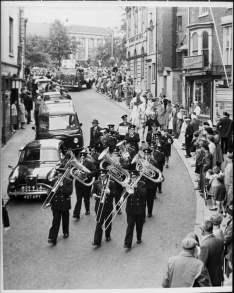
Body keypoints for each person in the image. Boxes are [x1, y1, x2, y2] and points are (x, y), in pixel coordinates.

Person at [122, 170, 146, 249]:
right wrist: (122, 198)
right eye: (131, 178)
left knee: (139, 225)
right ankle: (127, 243)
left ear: (137, 177)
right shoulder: (128, 184)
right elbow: (125, 193)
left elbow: (144, 194)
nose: (132, 179)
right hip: (130, 209)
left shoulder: (141, 184)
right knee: (130, 226)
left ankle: (139, 238)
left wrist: (137, 187)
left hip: (139, 209)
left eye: (134, 177)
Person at [48, 171, 73, 246]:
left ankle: (65, 232)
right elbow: (51, 193)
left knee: (65, 220)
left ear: (64, 175)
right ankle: (52, 238)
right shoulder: (54, 181)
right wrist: (49, 201)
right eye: (58, 175)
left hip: (65, 204)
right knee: (55, 221)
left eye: (61, 175)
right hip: (56, 204)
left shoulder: (69, 181)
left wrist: (62, 186)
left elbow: (69, 192)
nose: (59, 177)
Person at [92, 169, 116, 247]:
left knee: (108, 222)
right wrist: (94, 195)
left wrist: (110, 192)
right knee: (99, 223)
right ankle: (97, 241)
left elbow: (116, 194)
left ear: (106, 175)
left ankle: (107, 235)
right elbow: (92, 192)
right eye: (100, 176)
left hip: (108, 206)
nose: (102, 177)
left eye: (103, 176)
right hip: (99, 205)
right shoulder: (96, 183)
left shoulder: (111, 183)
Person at [198, 220, 224, 286]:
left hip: (209, 279)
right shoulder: (219, 241)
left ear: (203, 230)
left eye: (201, 228)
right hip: (217, 276)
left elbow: (201, 265)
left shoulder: (204, 245)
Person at [73, 150, 97, 219]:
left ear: (86, 157)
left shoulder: (89, 163)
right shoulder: (76, 163)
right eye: (81, 156)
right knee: (79, 199)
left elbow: (95, 171)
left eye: (83, 156)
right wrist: (76, 172)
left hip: (86, 183)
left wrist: (88, 174)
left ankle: (87, 210)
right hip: (78, 184)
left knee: (86, 199)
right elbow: (73, 171)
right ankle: (76, 213)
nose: (82, 157)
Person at [142, 148, 159, 217]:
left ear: (150, 154)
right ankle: (143, 216)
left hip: (151, 185)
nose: (146, 156)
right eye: (145, 154)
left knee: (150, 200)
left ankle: (149, 212)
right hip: (143, 184)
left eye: (147, 154)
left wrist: (149, 168)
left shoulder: (154, 162)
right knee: (142, 201)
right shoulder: (141, 161)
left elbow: (156, 174)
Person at [223, 205, 233, 279]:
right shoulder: (231, 221)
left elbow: (228, 237)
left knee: (229, 263)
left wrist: (221, 242)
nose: (227, 214)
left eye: (228, 213)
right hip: (229, 247)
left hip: (230, 248)